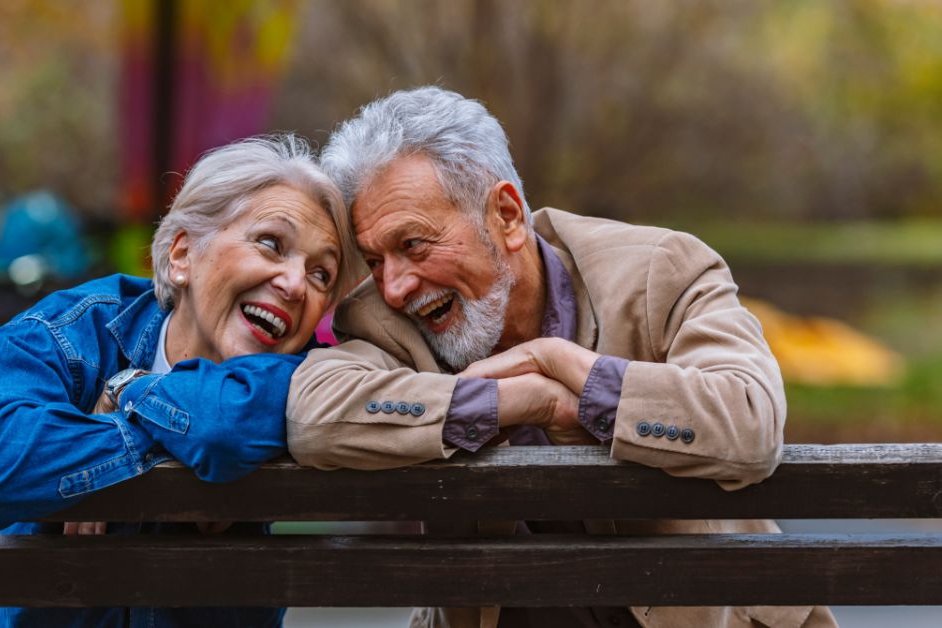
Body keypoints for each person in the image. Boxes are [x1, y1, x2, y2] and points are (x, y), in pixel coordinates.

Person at [285, 87, 837, 627]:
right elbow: (313, 417)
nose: (397, 286)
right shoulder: (381, 319)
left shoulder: (661, 271)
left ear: (506, 216)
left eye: (413, 245)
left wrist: (573, 373)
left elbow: (750, 419)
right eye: (375, 260)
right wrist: (515, 401)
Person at [0, 134, 359, 627]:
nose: (294, 284)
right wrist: (156, 436)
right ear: (182, 255)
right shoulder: (72, 332)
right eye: (271, 243)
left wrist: (130, 392)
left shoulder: (312, 374)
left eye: (321, 275)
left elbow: (221, 429)